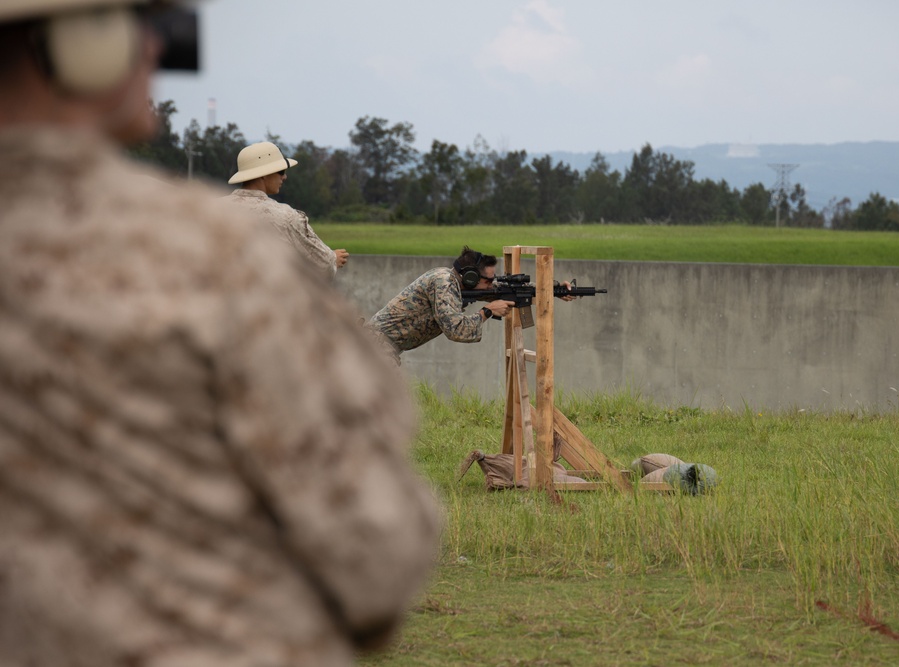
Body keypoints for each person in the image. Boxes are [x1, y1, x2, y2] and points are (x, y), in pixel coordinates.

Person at [0, 2, 440, 666]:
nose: (155, 48)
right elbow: (376, 548)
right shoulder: (208, 253)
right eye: (136, 27)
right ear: (78, 45)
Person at [367, 246, 575, 363]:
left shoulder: (457, 284)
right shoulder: (443, 283)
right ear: (469, 278)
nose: (491, 285)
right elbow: (456, 330)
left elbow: (506, 289)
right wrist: (487, 312)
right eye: (487, 280)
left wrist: (553, 289)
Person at [226, 140, 349, 281]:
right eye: (281, 171)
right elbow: (323, 265)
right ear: (263, 174)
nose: (284, 176)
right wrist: (334, 259)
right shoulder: (286, 216)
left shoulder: (211, 209)